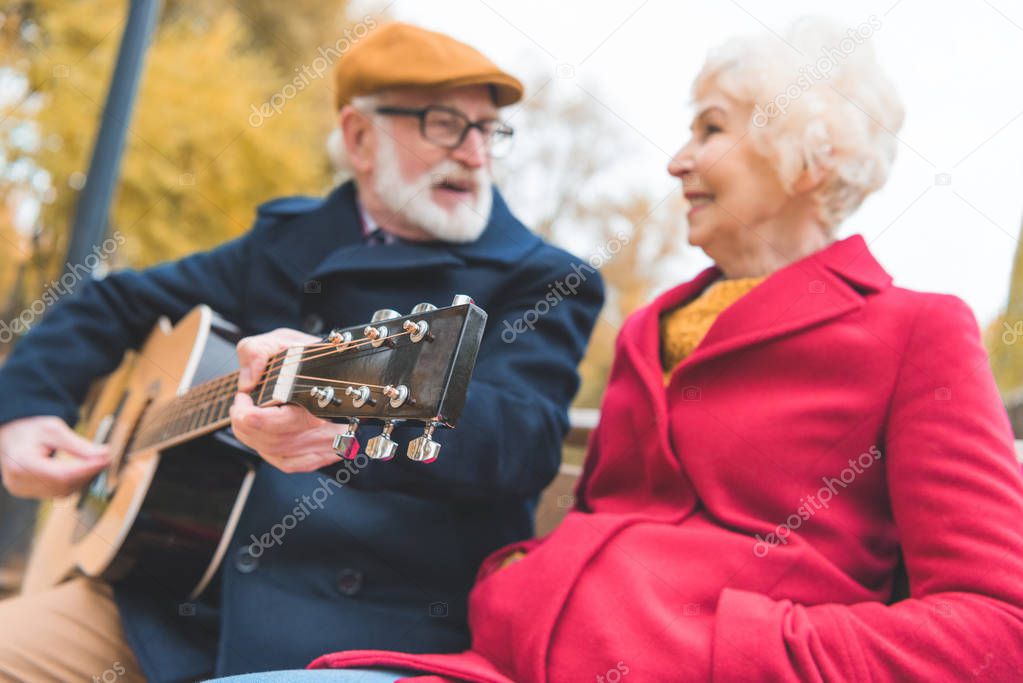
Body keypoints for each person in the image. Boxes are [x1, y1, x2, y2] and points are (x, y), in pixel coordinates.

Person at [246, 16, 1023, 682]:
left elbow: (997, 629)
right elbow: (608, 516)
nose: (675, 159)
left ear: (807, 157)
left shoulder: (917, 331)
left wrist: (741, 651)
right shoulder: (651, 325)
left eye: (710, 128)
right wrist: (520, 579)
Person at [0, 23, 603, 682]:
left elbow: (521, 437)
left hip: (366, 628)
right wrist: (23, 412)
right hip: (172, 600)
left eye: (488, 130)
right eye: (443, 124)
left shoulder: (539, 278)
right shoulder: (287, 241)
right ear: (358, 137)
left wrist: (345, 419)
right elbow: (110, 303)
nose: (475, 154)